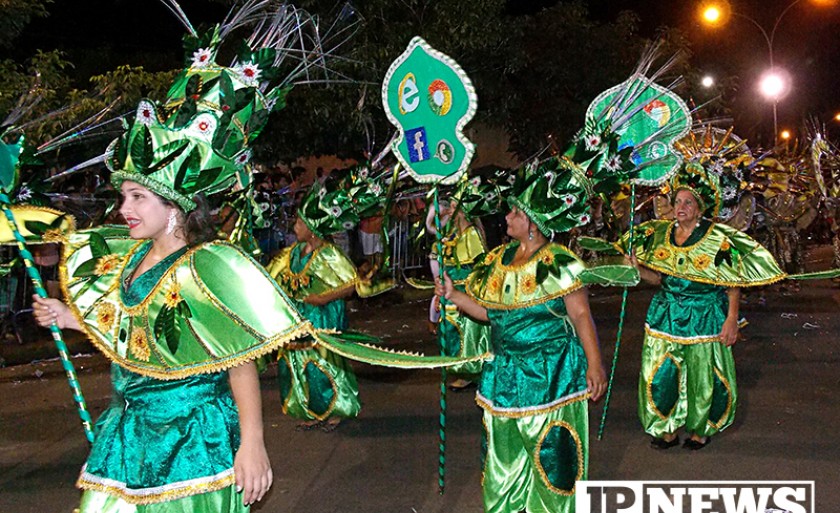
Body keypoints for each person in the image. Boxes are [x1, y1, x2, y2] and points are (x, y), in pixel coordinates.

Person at [30, 5, 338, 509]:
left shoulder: (204, 268)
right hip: (126, 435)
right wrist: (69, 318)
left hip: (193, 439)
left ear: (174, 208)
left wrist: (253, 444)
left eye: (137, 198)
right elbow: (133, 335)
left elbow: (238, 360)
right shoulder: (126, 262)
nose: (124, 209)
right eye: (124, 196)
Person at [436, 165, 607, 513]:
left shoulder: (561, 263)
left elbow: (579, 315)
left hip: (552, 373)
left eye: (515, 211)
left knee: (552, 455)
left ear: (532, 222)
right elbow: (489, 313)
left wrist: (595, 364)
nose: (508, 216)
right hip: (504, 372)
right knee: (504, 454)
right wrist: (454, 295)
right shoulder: (497, 261)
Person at [620, 163, 786, 451]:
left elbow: (732, 281)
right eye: (677, 201)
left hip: (706, 314)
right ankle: (666, 428)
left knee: (703, 375)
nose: (681, 206)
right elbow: (660, 278)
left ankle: (700, 429)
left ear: (699, 209)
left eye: (688, 202)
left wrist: (731, 319)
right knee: (661, 373)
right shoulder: (660, 235)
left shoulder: (716, 238)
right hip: (666, 312)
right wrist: (636, 271)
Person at [265, 176, 388, 431]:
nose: (294, 226)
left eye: (299, 222)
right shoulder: (292, 253)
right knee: (297, 365)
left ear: (312, 228)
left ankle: (337, 409)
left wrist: (322, 298)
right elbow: (271, 279)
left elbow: (352, 284)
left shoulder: (329, 254)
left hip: (323, 318)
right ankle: (309, 410)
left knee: (325, 364)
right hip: (298, 319)